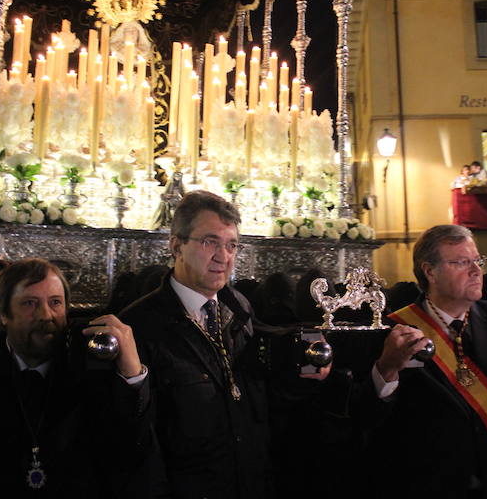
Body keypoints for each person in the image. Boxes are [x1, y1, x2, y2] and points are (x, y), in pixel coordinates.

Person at [120, 190, 331, 498]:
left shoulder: (238, 306)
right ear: (176, 245)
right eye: (210, 242)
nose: (224, 256)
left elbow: (260, 398)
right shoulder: (140, 324)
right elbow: (134, 434)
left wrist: (307, 376)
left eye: (231, 245)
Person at [0, 258, 151, 496]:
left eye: (55, 302)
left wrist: (132, 374)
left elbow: (128, 445)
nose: (46, 315)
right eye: (30, 303)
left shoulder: (92, 372)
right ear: (4, 314)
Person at [367, 224, 487, 498]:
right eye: (461, 262)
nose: (476, 271)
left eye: (477, 261)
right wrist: (387, 369)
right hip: (432, 483)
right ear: (430, 271)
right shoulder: (394, 330)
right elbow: (375, 419)